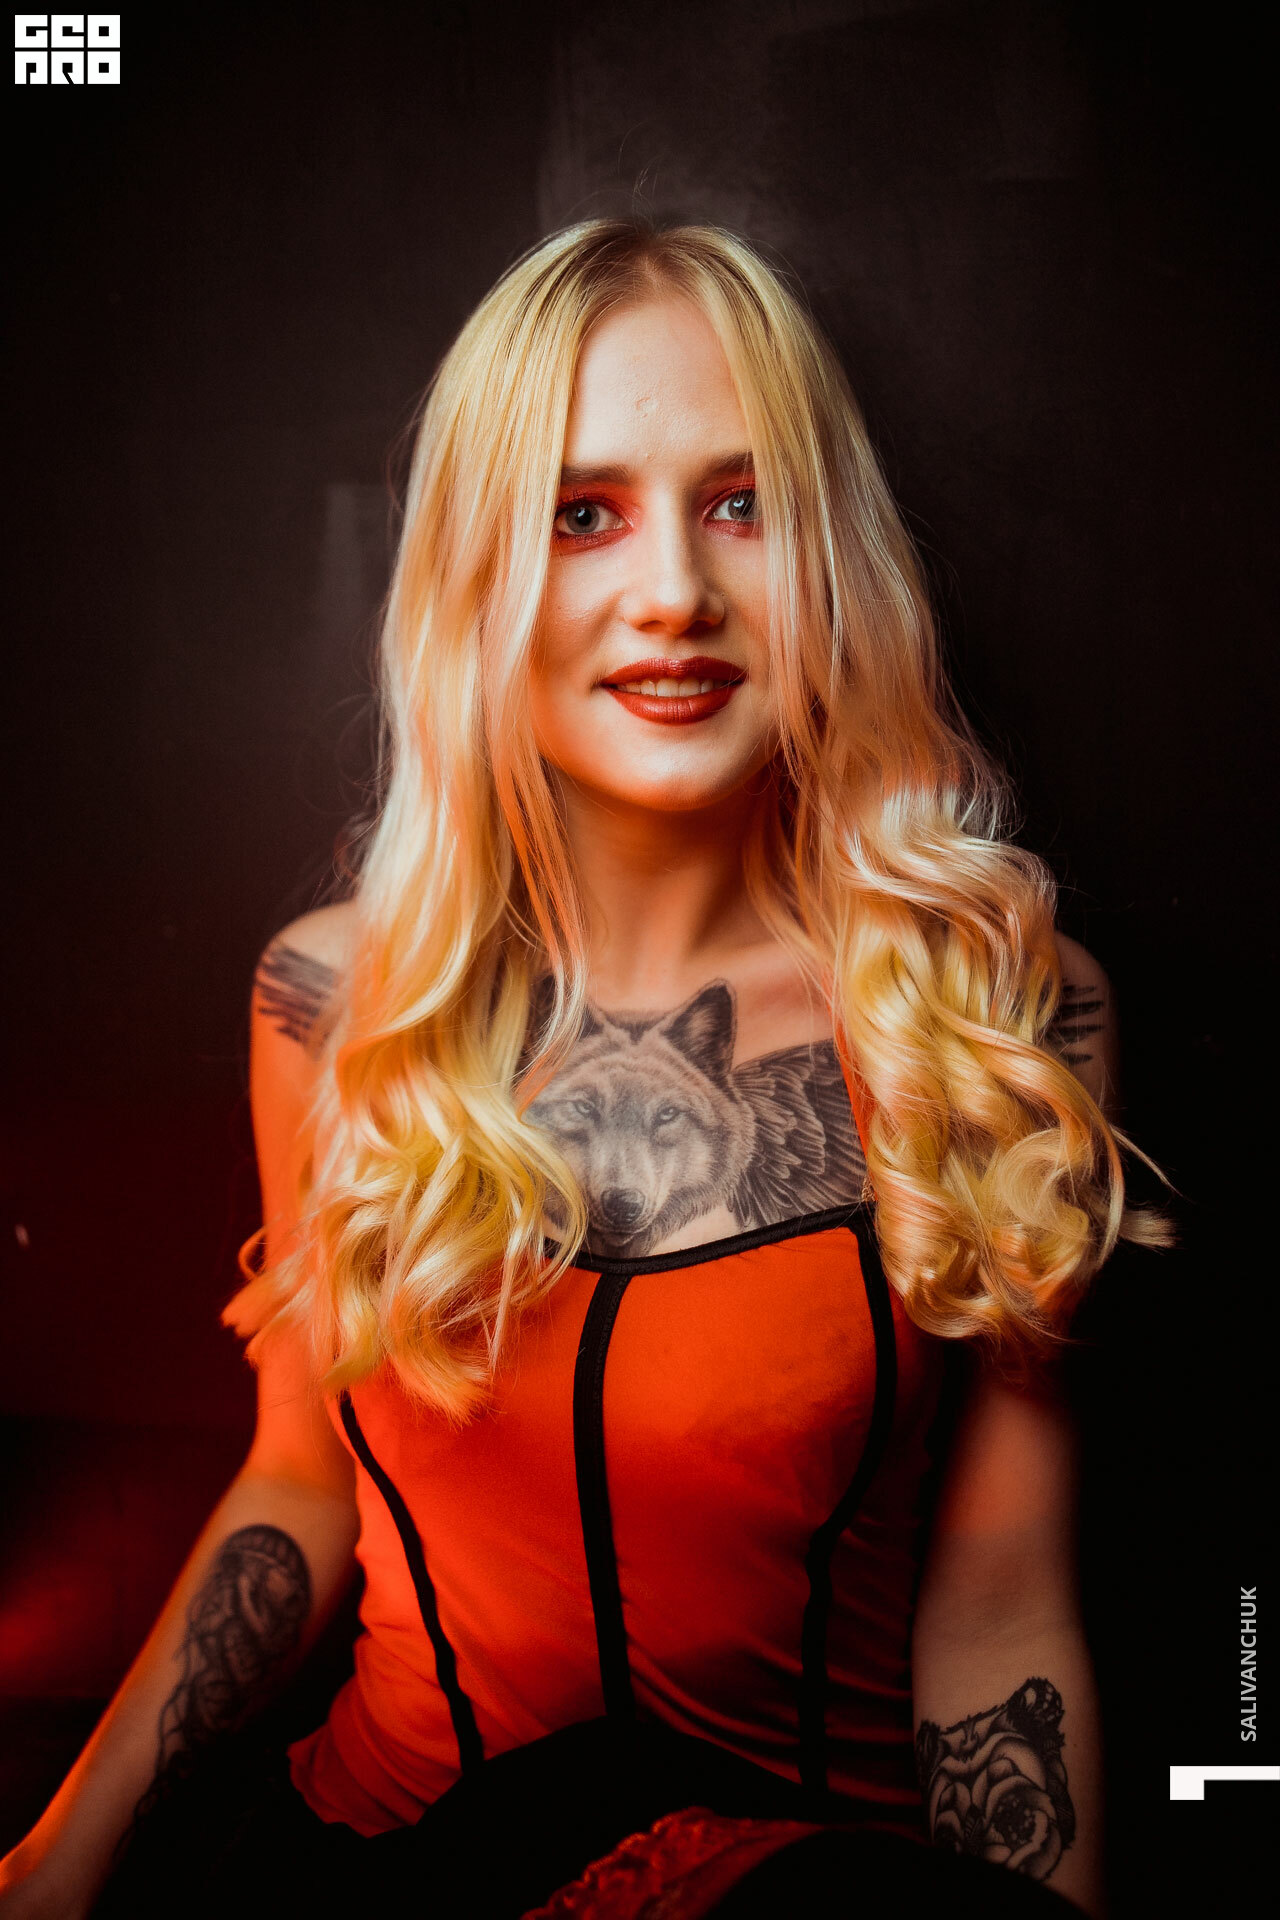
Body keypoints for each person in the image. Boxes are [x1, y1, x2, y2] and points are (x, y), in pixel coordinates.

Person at [0, 218, 1165, 1920]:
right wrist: (52, 1869)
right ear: (479, 577)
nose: (675, 590)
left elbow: (999, 1596)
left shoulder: (997, 1016)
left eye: (743, 504)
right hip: (379, 1872)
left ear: (833, 559)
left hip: (802, 1899)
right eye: (582, 514)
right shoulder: (335, 1004)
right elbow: (297, 1480)